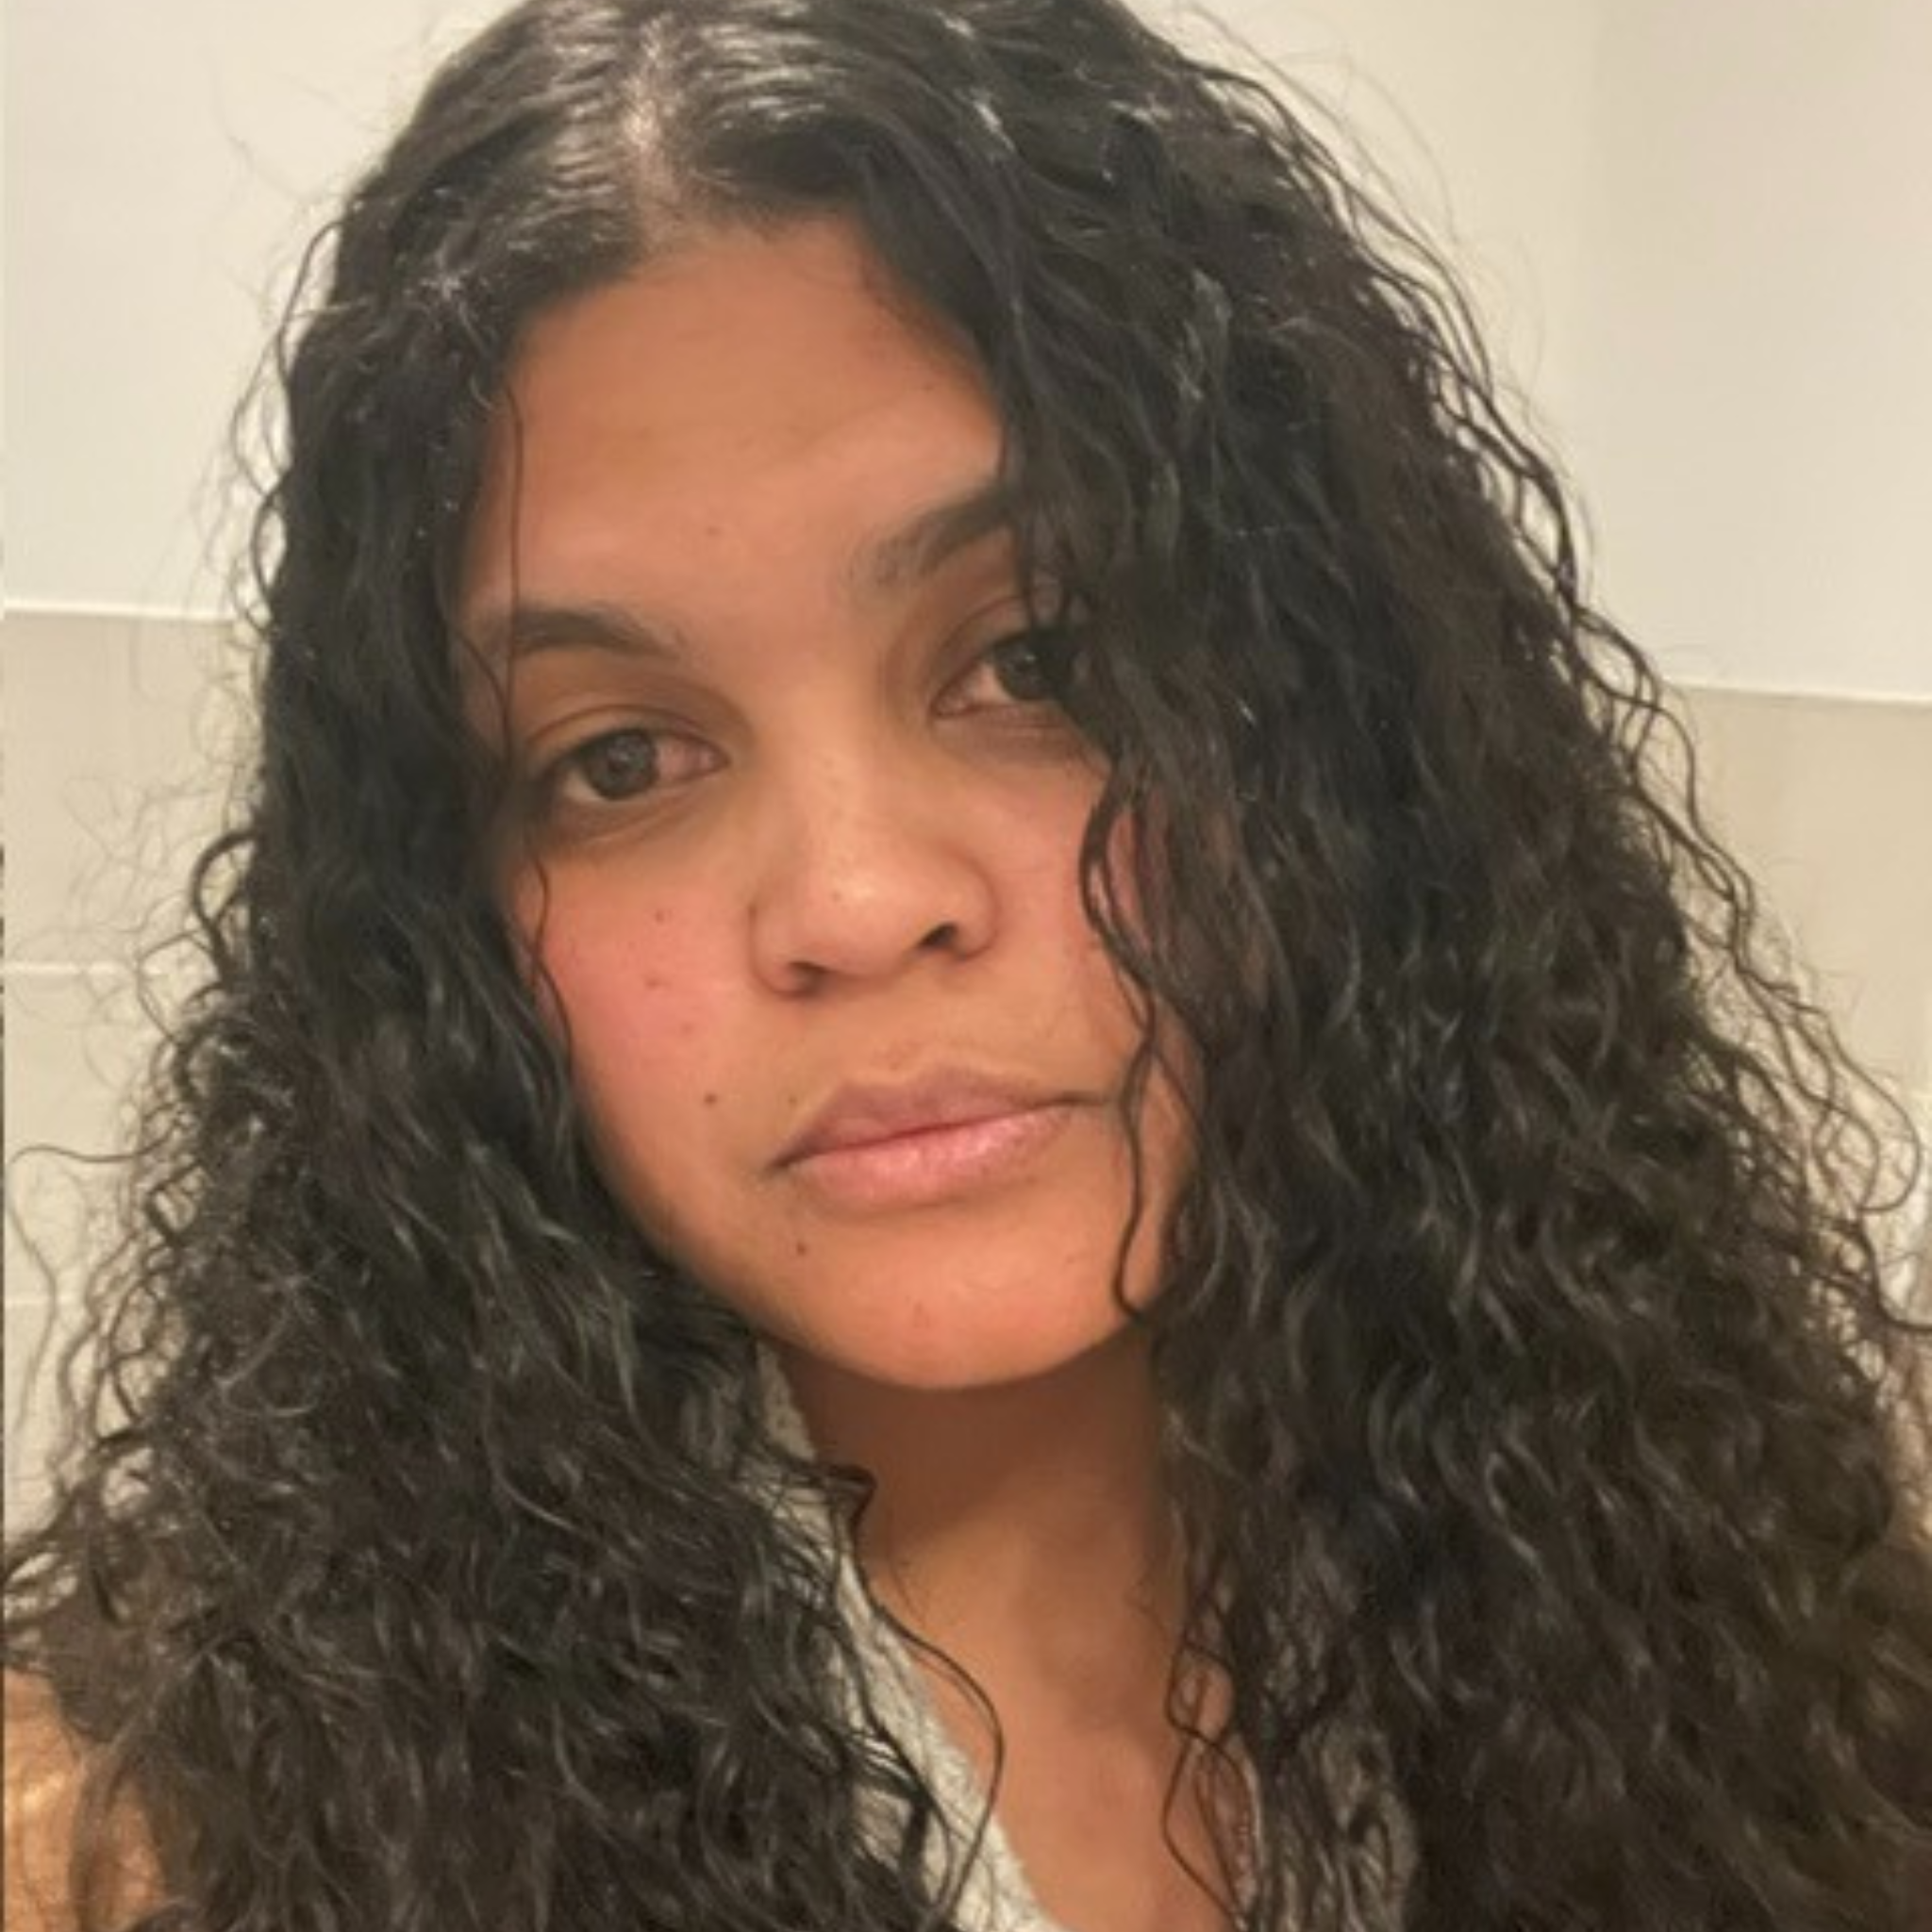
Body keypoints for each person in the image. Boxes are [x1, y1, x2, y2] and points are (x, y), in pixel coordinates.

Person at [7, 1, 1932, 1927]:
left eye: (1035, 661)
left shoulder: (1775, 1640)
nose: (856, 901)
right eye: (620, 760)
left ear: (1347, 735)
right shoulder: (140, 1845)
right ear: (439, 926)